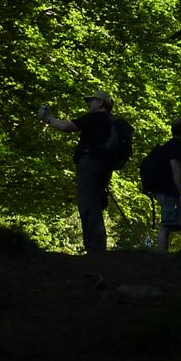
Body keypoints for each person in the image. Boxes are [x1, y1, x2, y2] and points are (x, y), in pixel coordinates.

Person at [39, 91, 116, 253]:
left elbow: (67, 127)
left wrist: (48, 118)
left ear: (100, 103)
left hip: (90, 163)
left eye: (92, 100)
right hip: (105, 166)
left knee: (88, 202)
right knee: (95, 201)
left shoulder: (95, 117)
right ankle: (98, 248)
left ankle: (96, 250)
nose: (89, 103)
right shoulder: (112, 121)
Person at [153, 118, 181, 252]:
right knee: (167, 224)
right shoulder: (175, 146)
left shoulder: (171, 146)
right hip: (169, 192)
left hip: (169, 192)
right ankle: (161, 256)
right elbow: (176, 169)